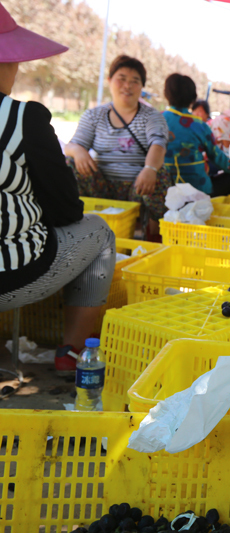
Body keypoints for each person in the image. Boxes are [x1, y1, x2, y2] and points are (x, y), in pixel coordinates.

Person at [0, 3, 115, 374]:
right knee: (99, 232)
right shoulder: (23, 119)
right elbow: (66, 209)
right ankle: (72, 351)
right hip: (12, 274)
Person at [64, 55, 169, 241]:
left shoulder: (152, 116)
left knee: (159, 172)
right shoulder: (94, 115)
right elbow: (72, 145)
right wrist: (78, 151)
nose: (127, 86)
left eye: (135, 81)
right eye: (122, 79)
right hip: (101, 186)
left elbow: (158, 145)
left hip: (139, 187)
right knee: (70, 164)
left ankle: (153, 235)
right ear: (110, 81)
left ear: (141, 87)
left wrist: (150, 169)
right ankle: (76, 229)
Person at [162, 73, 230, 196]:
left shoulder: (156, 120)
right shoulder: (200, 125)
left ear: (166, 94)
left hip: (163, 189)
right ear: (193, 99)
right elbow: (217, 157)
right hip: (198, 190)